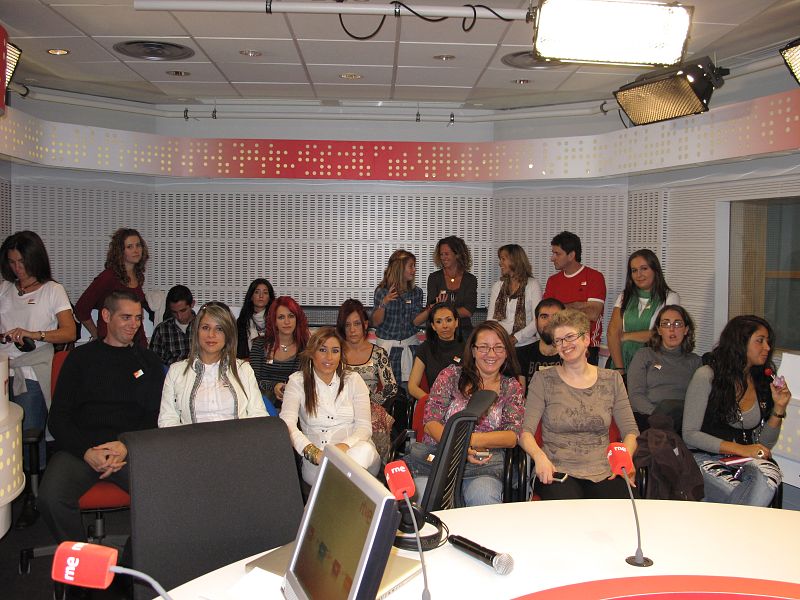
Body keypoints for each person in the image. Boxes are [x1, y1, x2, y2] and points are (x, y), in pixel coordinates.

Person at [38, 290, 164, 544]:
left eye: (138, 318)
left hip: (127, 450)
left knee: (163, 494)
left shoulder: (148, 362)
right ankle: (82, 562)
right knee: (51, 498)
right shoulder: (79, 359)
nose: (134, 325)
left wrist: (125, 446)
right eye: (126, 317)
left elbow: (154, 416)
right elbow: (58, 418)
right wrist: (86, 451)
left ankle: (132, 563)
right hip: (81, 449)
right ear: (106, 316)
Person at [520, 309, 639, 500]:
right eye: (558, 340)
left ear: (586, 339)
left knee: (624, 513)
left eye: (570, 337)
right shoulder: (543, 380)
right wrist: (539, 457)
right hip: (557, 469)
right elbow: (525, 433)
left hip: (605, 470)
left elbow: (631, 431)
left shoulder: (612, 379)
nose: (564, 345)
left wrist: (625, 458)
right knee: (569, 517)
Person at [408, 321, 524, 506]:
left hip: (484, 464)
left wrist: (469, 442)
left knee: (484, 497)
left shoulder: (511, 387)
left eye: (499, 348)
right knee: (423, 498)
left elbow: (512, 435)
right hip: (438, 459)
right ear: (473, 350)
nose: (491, 354)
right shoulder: (450, 375)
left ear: (508, 351)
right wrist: (457, 447)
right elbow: (431, 423)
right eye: (484, 347)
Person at [682, 315, 788, 507]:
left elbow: (763, 445)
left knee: (770, 476)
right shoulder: (707, 375)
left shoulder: (761, 380)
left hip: (743, 461)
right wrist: (741, 449)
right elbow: (689, 435)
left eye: (768, 342)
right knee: (746, 495)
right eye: (760, 341)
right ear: (740, 341)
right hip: (704, 457)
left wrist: (779, 408)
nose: (767, 348)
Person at [1, 231, 77, 473]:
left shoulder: (52, 290)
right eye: (12, 262)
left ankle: (35, 485)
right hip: (4, 369)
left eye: (22, 262)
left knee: (29, 434)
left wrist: (34, 334)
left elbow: (69, 332)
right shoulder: (5, 289)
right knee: (6, 433)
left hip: (31, 372)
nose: (17, 268)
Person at [280, 327, 379, 486]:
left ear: (341, 355)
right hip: (317, 462)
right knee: (345, 481)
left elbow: (364, 427)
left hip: (357, 455)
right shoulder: (297, 381)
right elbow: (287, 424)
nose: (329, 357)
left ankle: (327, 501)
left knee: (363, 451)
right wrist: (312, 452)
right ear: (312, 353)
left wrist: (343, 447)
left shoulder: (353, 380)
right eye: (322, 350)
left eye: (335, 351)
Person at [158, 302, 266, 426]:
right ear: (196, 331)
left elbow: (258, 416)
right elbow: (167, 420)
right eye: (205, 327)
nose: (211, 335)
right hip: (191, 443)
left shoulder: (243, 370)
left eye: (219, 329)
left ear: (228, 334)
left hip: (236, 443)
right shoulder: (176, 371)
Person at [337, 298, 397, 462]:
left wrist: (369, 402)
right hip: (339, 407)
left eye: (356, 324)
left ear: (365, 324)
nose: (352, 330)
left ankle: (377, 468)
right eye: (347, 325)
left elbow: (391, 387)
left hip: (370, 407)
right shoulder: (335, 353)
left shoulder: (378, 353)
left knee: (375, 425)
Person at [627, 305, 702, 432]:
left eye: (677, 324)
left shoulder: (695, 362)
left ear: (686, 330)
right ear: (659, 330)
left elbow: (699, 401)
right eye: (666, 324)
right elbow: (635, 396)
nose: (672, 329)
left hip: (682, 421)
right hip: (649, 418)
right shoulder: (644, 355)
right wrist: (658, 416)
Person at [607, 249, 680, 374]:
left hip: (653, 363)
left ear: (655, 270)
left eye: (644, 269)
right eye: (634, 270)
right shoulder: (624, 296)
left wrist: (626, 336)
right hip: (620, 362)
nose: (638, 275)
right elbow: (612, 332)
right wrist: (620, 369)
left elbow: (661, 333)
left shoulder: (669, 298)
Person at [75, 228, 151, 347]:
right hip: (113, 344)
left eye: (138, 245)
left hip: (136, 342)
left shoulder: (138, 275)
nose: (136, 250)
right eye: (129, 247)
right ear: (120, 251)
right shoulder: (108, 277)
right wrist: (97, 335)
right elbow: (81, 309)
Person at [543, 231, 606, 365]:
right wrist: (580, 305)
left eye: (557, 253)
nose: (552, 258)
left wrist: (560, 308)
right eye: (553, 253)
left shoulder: (594, 277)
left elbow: (593, 313)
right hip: (557, 346)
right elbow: (547, 315)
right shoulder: (553, 281)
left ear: (571, 255)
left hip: (586, 346)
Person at [487, 244, 542, 378]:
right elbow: (491, 320)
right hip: (501, 346)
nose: (500, 263)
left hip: (526, 346)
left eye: (503, 259)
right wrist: (501, 339)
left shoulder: (532, 285)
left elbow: (538, 320)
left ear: (515, 260)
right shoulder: (498, 286)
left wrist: (516, 338)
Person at [371, 250, 425, 386]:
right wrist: (384, 302)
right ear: (400, 268)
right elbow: (376, 322)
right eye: (411, 266)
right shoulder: (382, 291)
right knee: (389, 391)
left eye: (414, 266)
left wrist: (430, 309)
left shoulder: (416, 292)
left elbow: (415, 321)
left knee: (409, 389)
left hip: (409, 347)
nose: (414, 270)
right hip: (387, 350)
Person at [250, 295, 309, 408]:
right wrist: (275, 386)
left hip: (296, 404)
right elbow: (252, 381)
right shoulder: (259, 345)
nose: (287, 322)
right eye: (281, 317)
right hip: (262, 405)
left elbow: (306, 382)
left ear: (297, 319)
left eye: (291, 316)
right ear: (274, 321)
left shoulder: (305, 348)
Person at [408, 302, 465, 403]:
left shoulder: (468, 349)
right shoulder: (425, 348)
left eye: (449, 320)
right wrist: (433, 402)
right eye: (439, 321)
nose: (444, 326)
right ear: (433, 326)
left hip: (461, 405)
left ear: (456, 322)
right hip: (434, 404)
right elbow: (412, 387)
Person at [425, 236, 478, 335]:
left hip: (463, 331)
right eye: (441, 254)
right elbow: (431, 308)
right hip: (438, 331)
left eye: (446, 254)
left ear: (457, 255)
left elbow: (468, 311)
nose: (443, 257)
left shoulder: (470, 279)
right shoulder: (434, 278)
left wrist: (442, 308)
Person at [521, 298, 565, 392]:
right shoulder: (522, 354)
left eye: (556, 317)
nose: (550, 322)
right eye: (544, 317)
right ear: (536, 322)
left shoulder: (574, 354)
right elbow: (520, 398)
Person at [149, 284, 196, 366]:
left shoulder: (204, 326)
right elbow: (154, 362)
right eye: (174, 312)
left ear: (192, 304)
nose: (179, 316)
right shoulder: (162, 329)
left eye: (183, 310)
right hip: (171, 375)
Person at [235, 278, 275, 359]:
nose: (261, 296)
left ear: (270, 297)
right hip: (247, 365)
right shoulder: (242, 322)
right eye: (257, 292)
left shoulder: (276, 320)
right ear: (251, 297)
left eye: (265, 293)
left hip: (272, 365)